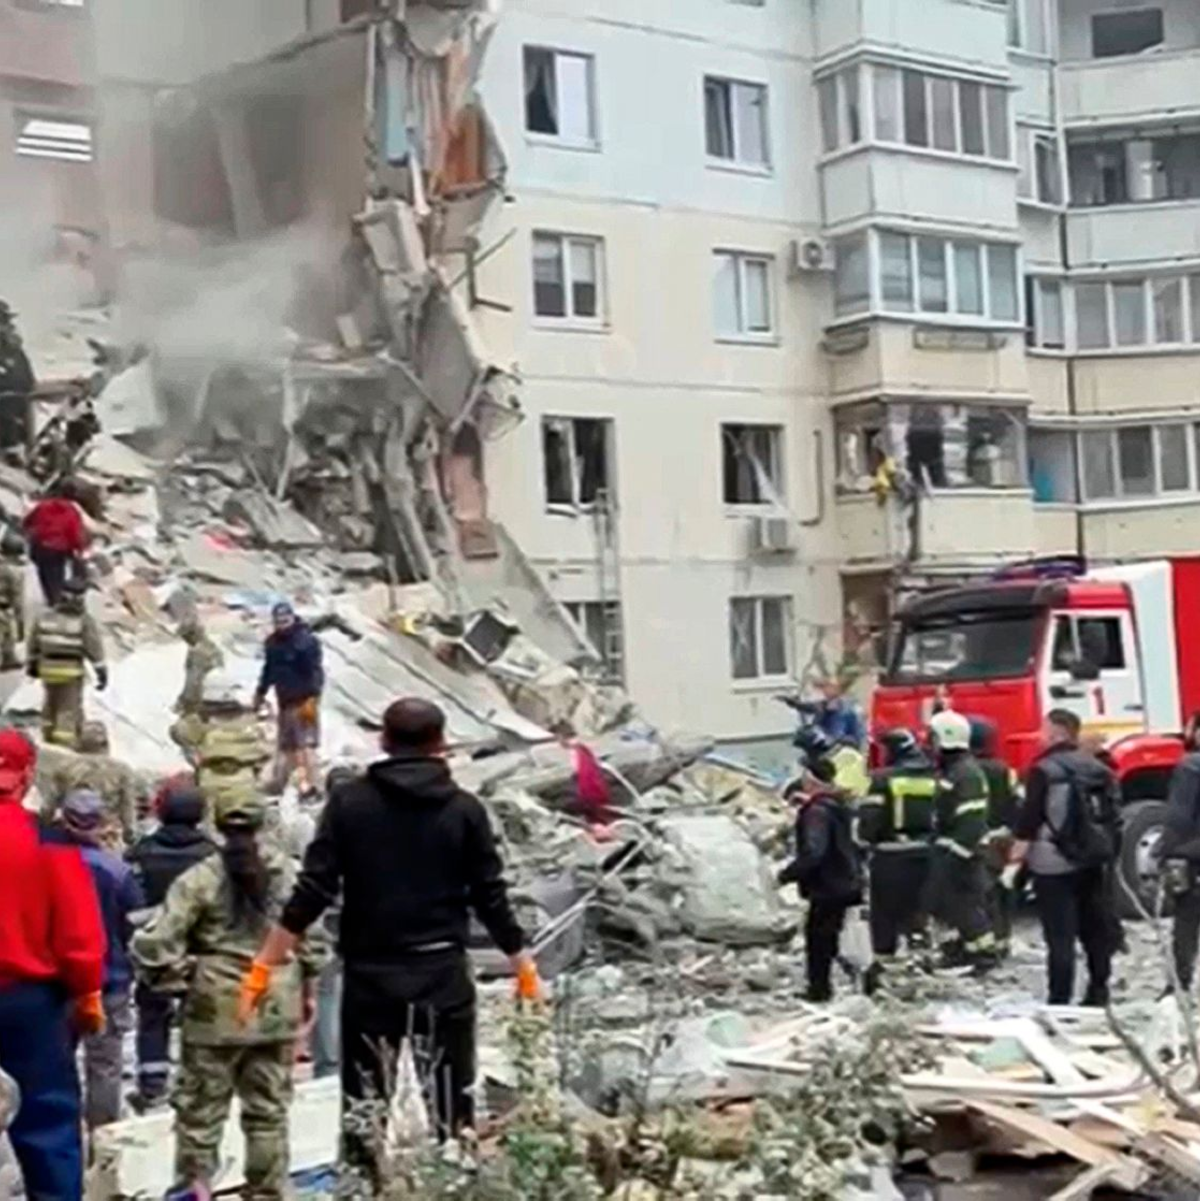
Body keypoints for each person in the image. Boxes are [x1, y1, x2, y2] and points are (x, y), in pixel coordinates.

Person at [238, 697, 539, 1183]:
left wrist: (264, 964)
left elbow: (313, 890)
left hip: (371, 978)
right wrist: (523, 963)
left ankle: (363, 1189)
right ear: (441, 744)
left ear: (383, 740)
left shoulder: (349, 804)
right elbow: (491, 897)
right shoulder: (464, 810)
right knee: (452, 1111)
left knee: (365, 1110)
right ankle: (456, 1188)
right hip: (442, 975)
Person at [131, 786, 318, 1199]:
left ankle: (194, 1192)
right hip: (275, 1005)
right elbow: (315, 943)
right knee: (269, 1115)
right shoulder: (290, 876)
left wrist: (181, 976)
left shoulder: (200, 880)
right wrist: (306, 992)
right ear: (264, 823)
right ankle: (267, 1193)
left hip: (214, 1011)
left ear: (215, 823)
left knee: (200, 1118)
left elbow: (155, 945)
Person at [0, 729, 105, 1196]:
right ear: (26, 776)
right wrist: (88, 993)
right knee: (48, 1122)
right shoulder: (49, 840)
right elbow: (79, 936)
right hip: (32, 1005)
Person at [1010, 708, 1121, 1006]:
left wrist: (1013, 864)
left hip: (1052, 862)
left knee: (1060, 935)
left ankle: (1060, 999)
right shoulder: (1098, 768)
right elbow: (1113, 816)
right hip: (1091, 859)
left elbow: (1029, 822)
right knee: (1094, 929)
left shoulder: (1043, 770)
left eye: (1044, 729)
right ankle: (1099, 990)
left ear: (1056, 734)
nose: (1040, 735)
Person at [127, 784, 218, 1110]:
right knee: (203, 1017)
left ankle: (153, 1084)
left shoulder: (141, 852)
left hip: (157, 951)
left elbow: (132, 901)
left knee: (152, 1015)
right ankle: (201, 1085)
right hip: (202, 952)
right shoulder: (213, 856)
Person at [59, 789, 143, 1130]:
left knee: (56, 1064)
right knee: (105, 1066)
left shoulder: (43, 864)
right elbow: (135, 924)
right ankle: (103, 1137)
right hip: (109, 981)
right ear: (101, 823)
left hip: (57, 983)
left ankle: (62, 1134)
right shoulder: (117, 871)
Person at [777, 756, 863, 1002]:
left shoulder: (816, 813)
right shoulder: (838, 806)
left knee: (818, 939)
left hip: (828, 885)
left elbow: (814, 852)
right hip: (845, 881)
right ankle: (847, 980)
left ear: (810, 780)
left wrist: (787, 875)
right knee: (832, 936)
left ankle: (819, 990)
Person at [859, 728, 937, 984]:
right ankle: (921, 958)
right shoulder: (932, 776)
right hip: (926, 854)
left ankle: (885, 966)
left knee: (884, 914)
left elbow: (869, 822)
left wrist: (864, 839)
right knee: (918, 910)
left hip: (890, 855)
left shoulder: (883, 779)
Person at [924, 710, 996, 971]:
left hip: (963, 852)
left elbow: (971, 820)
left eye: (933, 737)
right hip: (950, 847)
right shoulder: (953, 770)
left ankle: (983, 955)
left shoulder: (966, 773)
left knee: (965, 905)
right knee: (948, 904)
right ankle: (961, 951)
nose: (929, 743)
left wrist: (957, 853)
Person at [26, 573, 106, 747]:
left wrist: (32, 665)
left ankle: (47, 734)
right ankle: (63, 743)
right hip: (71, 670)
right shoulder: (84, 621)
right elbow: (93, 647)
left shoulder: (44, 617)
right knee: (67, 707)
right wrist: (101, 671)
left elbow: (33, 643)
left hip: (47, 669)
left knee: (50, 701)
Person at [254, 601, 324, 799]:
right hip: (285, 701)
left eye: (285, 621)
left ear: (293, 619)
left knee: (305, 745)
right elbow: (269, 670)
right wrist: (260, 692)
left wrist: (314, 696)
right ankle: (281, 783)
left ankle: (313, 786)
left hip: (304, 700)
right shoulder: (272, 644)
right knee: (286, 745)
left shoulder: (306, 642)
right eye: (279, 622)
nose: (282, 625)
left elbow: (316, 671)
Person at [45, 719, 142, 850]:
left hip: (70, 831)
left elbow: (49, 805)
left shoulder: (65, 766)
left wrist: (44, 824)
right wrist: (129, 835)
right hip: (105, 835)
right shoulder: (122, 770)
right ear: (106, 744)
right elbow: (127, 806)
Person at [971, 718, 1023, 958]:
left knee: (981, 893)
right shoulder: (1005, 770)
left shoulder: (965, 770)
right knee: (1002, 891)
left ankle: (986, 945)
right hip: (1003, 837)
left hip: (978, 840)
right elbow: (1015, 802)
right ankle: (1003, 939)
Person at [185, 674, 271, 817]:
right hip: (243, 781)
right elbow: (265, 753)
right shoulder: (251, 722)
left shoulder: (199, 723)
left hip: (211, 779)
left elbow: (179, 734)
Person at [1160, 712, 1200, 990]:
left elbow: (1179, 817)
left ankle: (1179, 984)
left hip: (1193, 853)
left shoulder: (1191, 767)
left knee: (1187, 920)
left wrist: (1168, 851)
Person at [22, 479, 89, 606]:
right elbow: (74, 532)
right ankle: (55, 599)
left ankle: (50, 596)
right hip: (58, 549)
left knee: (43, 571)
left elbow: (28, 521)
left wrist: (27, 532)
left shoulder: (44, 505)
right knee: (57, 574)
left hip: (40, 546)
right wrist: (79, 548)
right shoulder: (72, 511)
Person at [0, 302, 34, 453]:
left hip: (12, 422)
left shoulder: (15, 351)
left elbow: (28, 386)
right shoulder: (15, 350)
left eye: (5, 320)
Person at [176, 616, 225, 717]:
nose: (185, 640)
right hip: (205, 697)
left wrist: (185, 700)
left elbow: (194, 679)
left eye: (185, 637)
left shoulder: (199, 650)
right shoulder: (208, 647)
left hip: (199, 699)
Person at [0, 531, 25, 670]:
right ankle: (8, 658)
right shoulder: (14, 571)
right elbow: (17, 598)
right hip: (3, 608)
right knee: (7, 633)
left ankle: (9, 659)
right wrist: (20, 621)